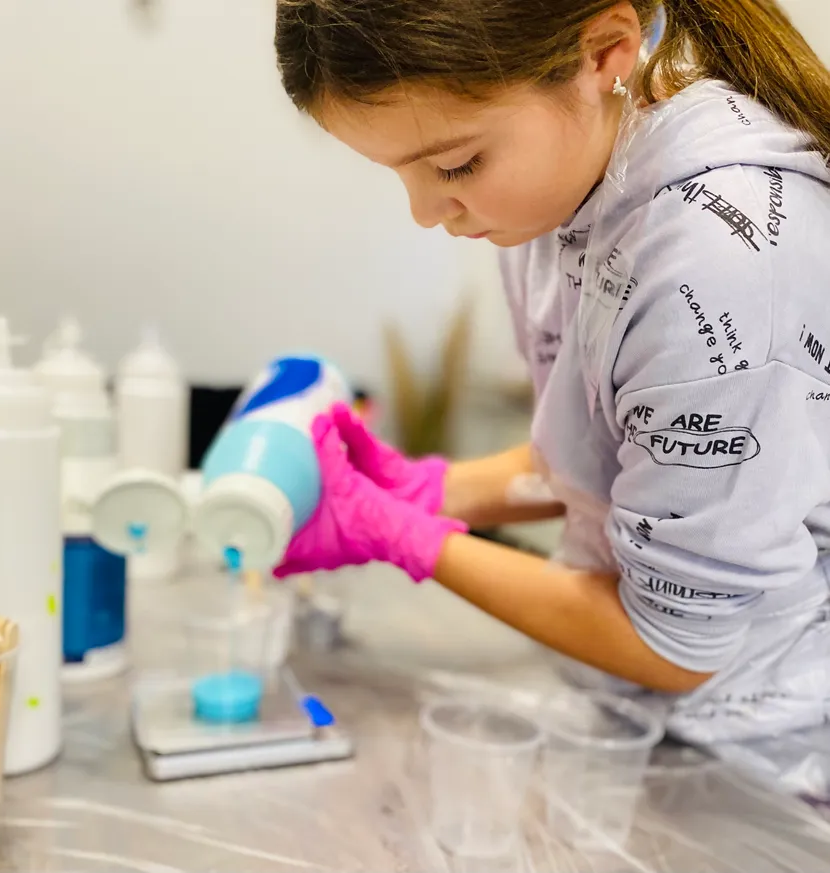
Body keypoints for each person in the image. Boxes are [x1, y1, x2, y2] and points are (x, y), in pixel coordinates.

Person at [272, 0, 830, 791]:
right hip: (643, 725)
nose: (427, 212)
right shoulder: (571, 187)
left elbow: (673, 645)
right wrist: (425, 490)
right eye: (399, 171)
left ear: (604, 51)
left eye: (456, 166)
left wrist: (410, 539)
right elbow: (616, 458)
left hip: (762, 762)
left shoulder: (717, 263)